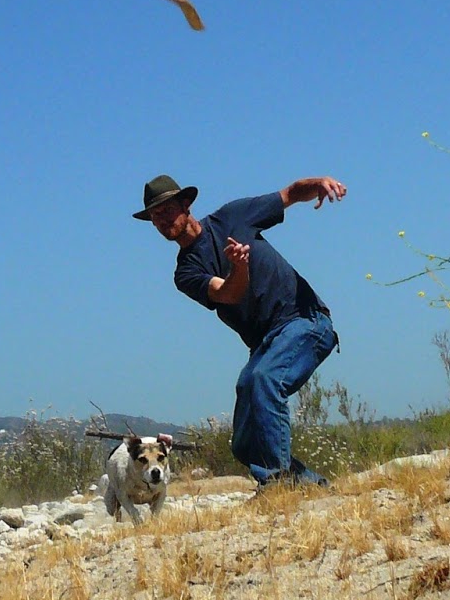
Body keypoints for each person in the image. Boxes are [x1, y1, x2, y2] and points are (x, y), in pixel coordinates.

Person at [134, 173, 347, 487]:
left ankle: (276, 484)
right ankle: (311, 486)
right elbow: (227, 294)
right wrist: (240, 267)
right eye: (154, 216)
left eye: (166, 209)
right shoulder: (186, 272)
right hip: (264, 345)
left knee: (264, 379)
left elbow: (288, 194)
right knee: (245, 441)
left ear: (185, 204)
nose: (161, 219)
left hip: (305, 321)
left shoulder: (233, 216)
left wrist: (317, 184)